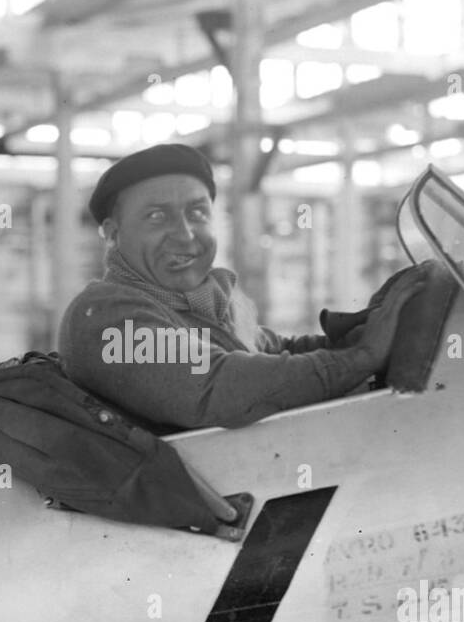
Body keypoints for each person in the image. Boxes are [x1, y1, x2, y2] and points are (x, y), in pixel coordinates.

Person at [57, 143, 429, 431]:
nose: (185, 235)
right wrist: (361, 358)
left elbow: (271, 349)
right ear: (112, 233)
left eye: (198, 212)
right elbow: (220, 387)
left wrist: (361, 331)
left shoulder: (213, 298)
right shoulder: (106, 318)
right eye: (156, 217)